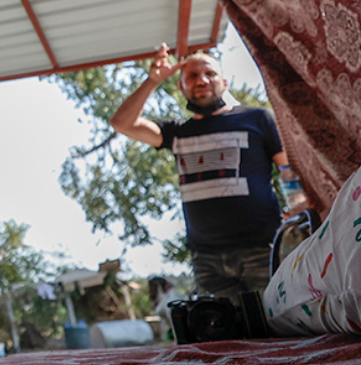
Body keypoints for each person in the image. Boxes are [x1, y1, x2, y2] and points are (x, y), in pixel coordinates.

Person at [110, 43, 295, 304]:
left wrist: (299, 212)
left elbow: (290, 170)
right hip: (207, 259)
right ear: (181, 86)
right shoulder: (176, 133)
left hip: (262, 248)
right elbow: (122, 123)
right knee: (229, 340)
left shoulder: (257, 119)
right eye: (192, 76)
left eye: (209, 73)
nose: (202, 80)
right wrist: (153, 80)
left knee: (280, 325)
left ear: (225, 82)